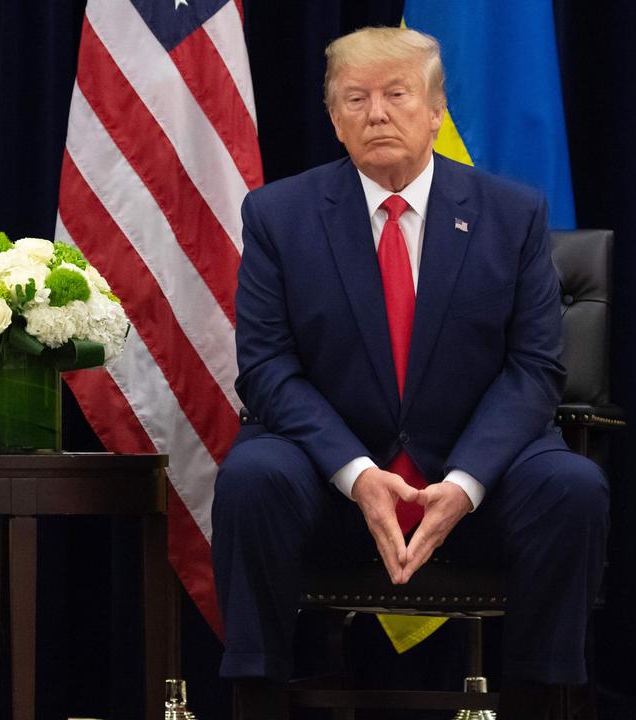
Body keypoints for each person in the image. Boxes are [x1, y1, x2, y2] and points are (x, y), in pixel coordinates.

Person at [211, 27, 608, 719]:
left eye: (397, 95)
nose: (377, 114)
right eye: (355, 98)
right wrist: (358, 474)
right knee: (251, 478)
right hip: (331, 484)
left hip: (477, 480)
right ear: (333, 118)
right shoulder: (278, 215)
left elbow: (535, 368)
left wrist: (462, 483)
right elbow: (268, 368)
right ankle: (257, 699)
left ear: (435, 110)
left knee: (572, 487)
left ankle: (545, 701)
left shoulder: (512, 215)